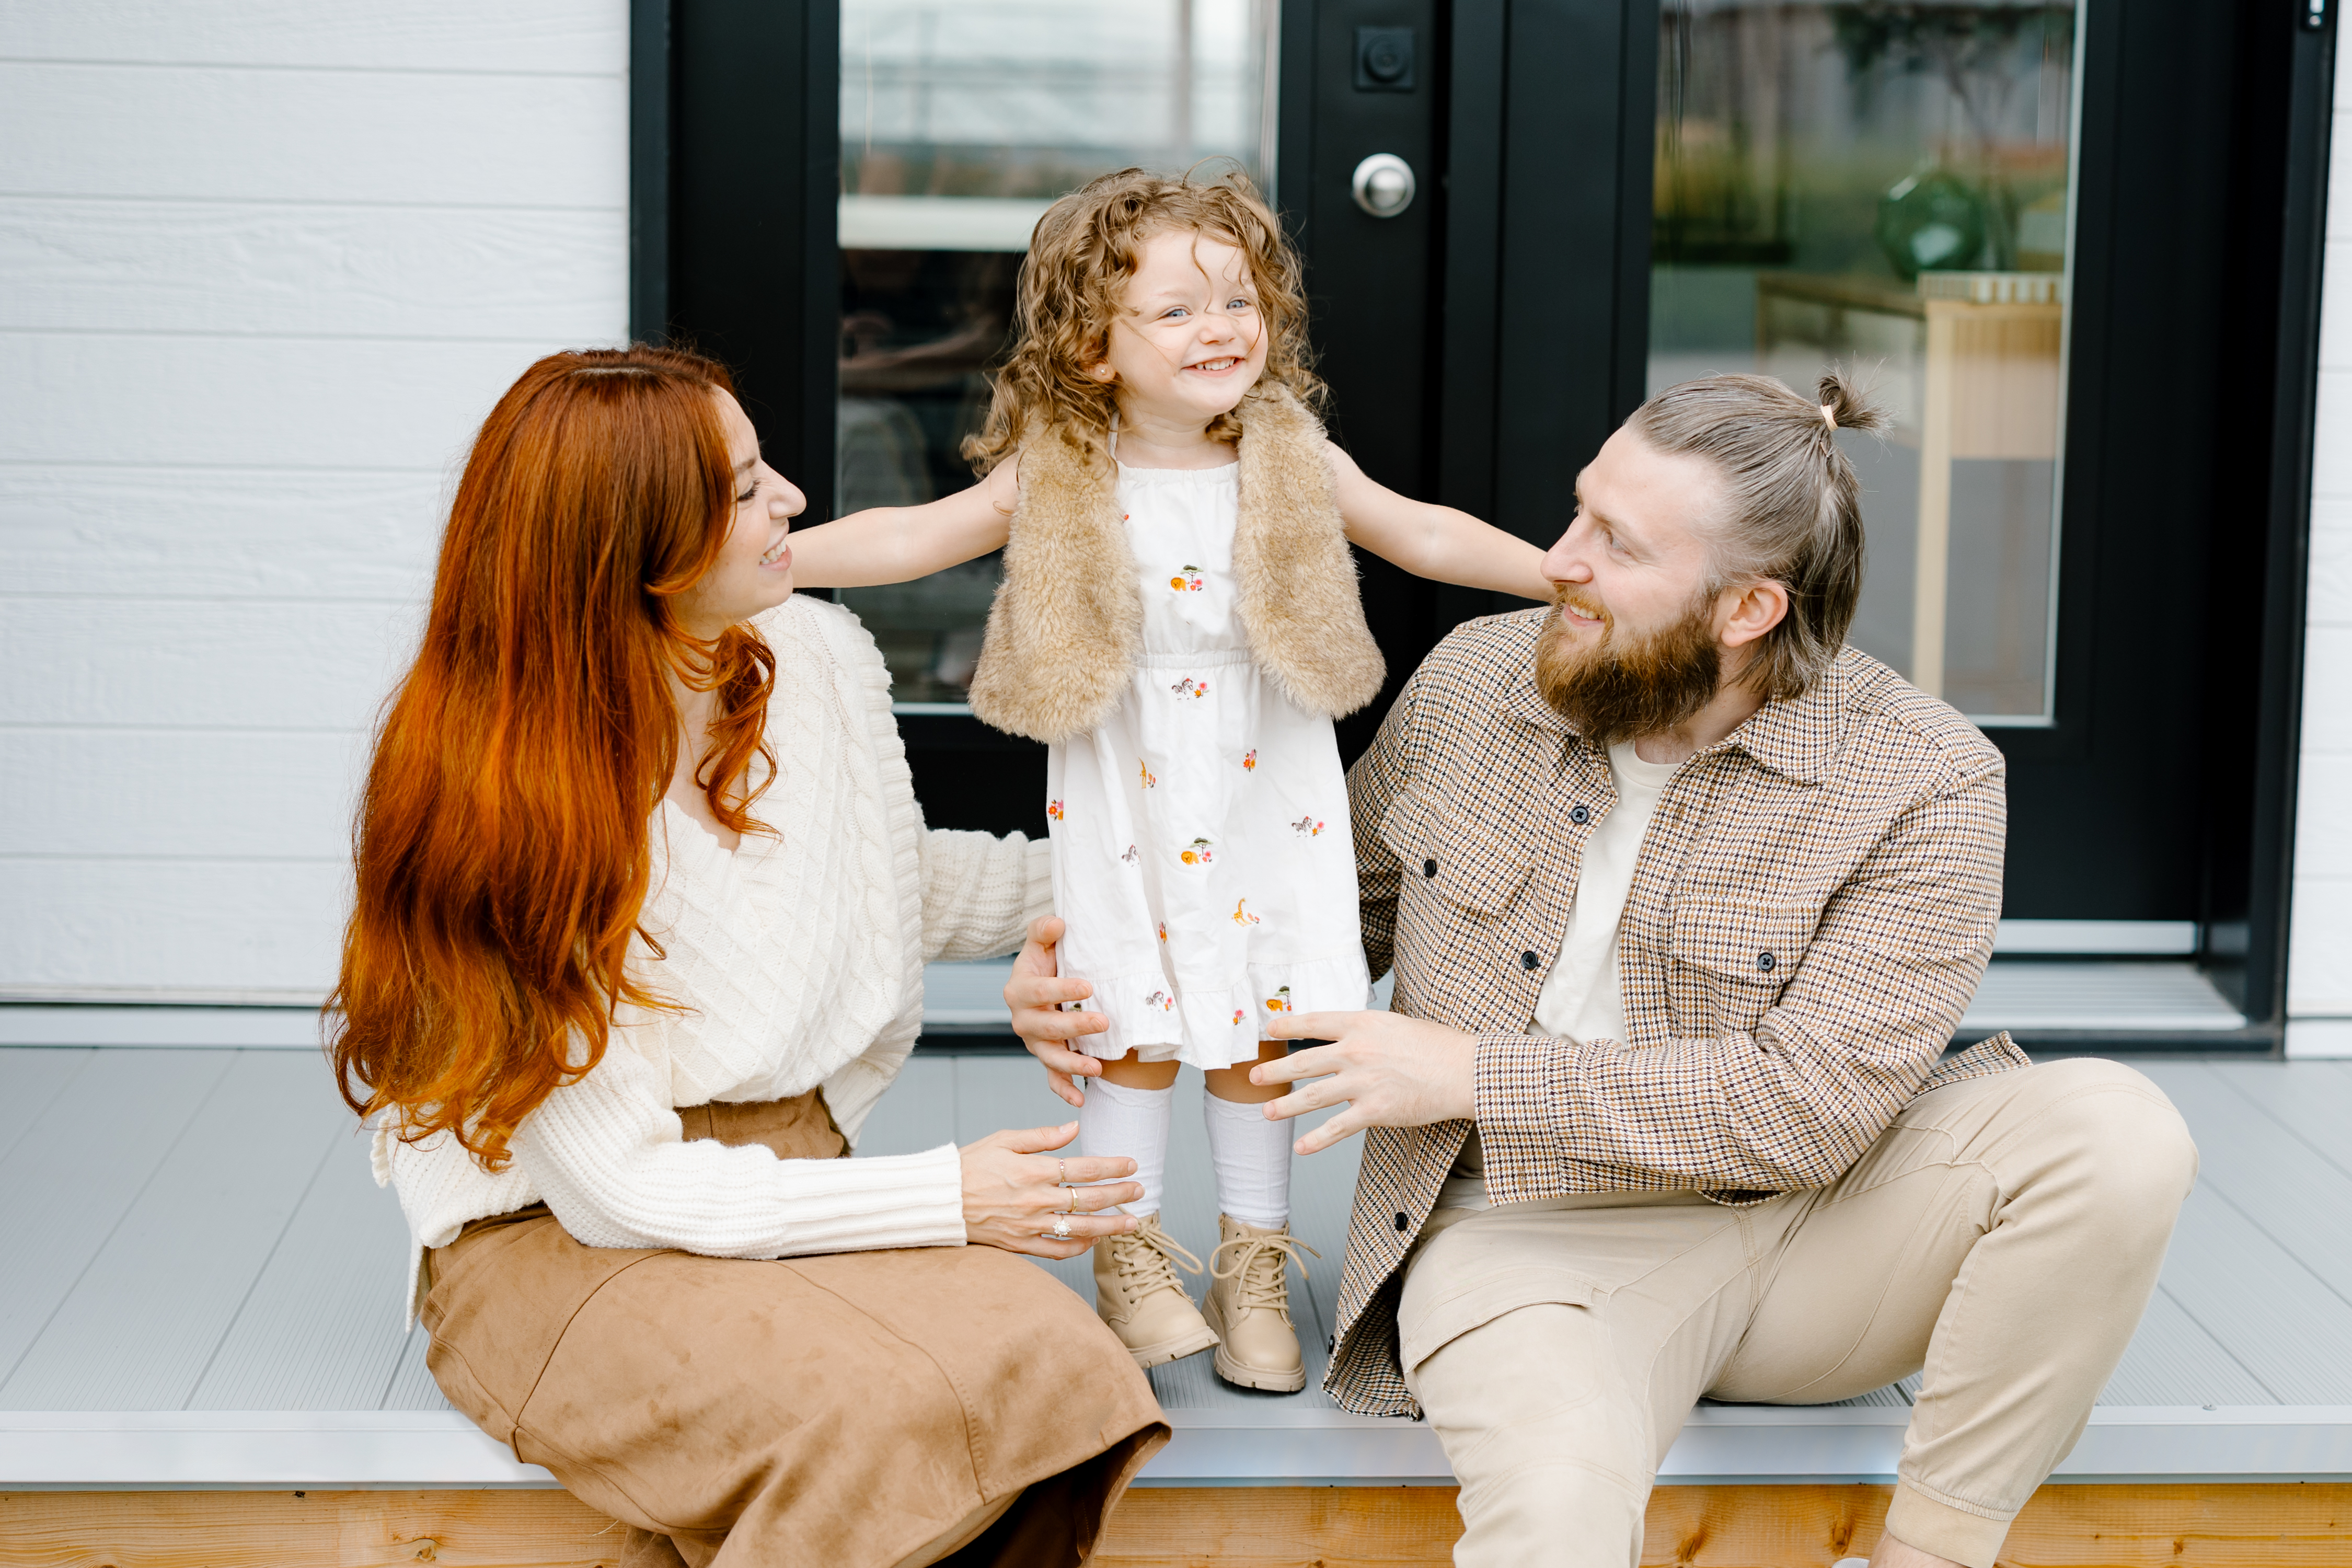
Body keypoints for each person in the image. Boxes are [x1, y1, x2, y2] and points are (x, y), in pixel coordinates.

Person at [1008, 372, 2200, 1568]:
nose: (1558, 561)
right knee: (1553, 1530)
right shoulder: (1479, 680)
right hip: (1519, 1251)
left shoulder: (1925, 777)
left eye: (1615, 545)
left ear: (1747, 610)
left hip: (1820, 1241)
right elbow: (1306, 929)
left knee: (2116, 1129)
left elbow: (1812, 1110)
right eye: (1578, 511)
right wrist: (1110, 974)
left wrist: (1478, 1075)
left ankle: (1930, 1558)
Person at [331, 344, 1166, 1568]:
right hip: (558, 1235)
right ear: (629, 545)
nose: (790, 499)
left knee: (1061, 1372)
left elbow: (884, 877)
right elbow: (621, 1190)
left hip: (790, 1178)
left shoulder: (812, 656)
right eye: (738, 488)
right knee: (866, 1417)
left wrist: (1136, 898)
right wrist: (951, 1196)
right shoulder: (500, 806)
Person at [789, 168, 1550, 1392]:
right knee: (1128, 1015)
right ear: (1095, 345)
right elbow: (914, 534)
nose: (1223, 331)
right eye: (1179, 312)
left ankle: (1253, 1260)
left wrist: (1560, 577)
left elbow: (1422, 531)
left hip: (1267, 788)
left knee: (1258, 1017)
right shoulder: (1062, 465)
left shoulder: (1288, 454)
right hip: (1128, 790)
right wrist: (767, 560)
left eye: (1239, 302)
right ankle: (1129, 1251)